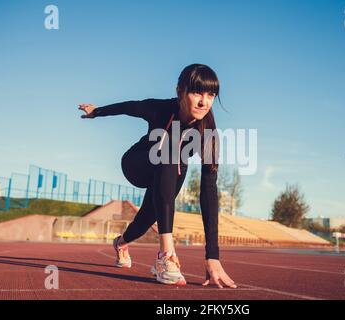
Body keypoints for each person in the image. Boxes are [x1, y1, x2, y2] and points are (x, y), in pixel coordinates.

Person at [78, 64, 237, 289]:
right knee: (171, 151)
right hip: (138, 163)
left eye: (210, 95)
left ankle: (120, 244)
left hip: (170, 173)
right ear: (180, 91)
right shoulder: (160, 109)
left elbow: (208, 192)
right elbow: (129, 106)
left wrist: (212, 255)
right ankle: (166, 256)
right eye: (196, 93)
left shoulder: (208, 133)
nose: (204, 102)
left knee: (143, 222)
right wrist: (97, 111)